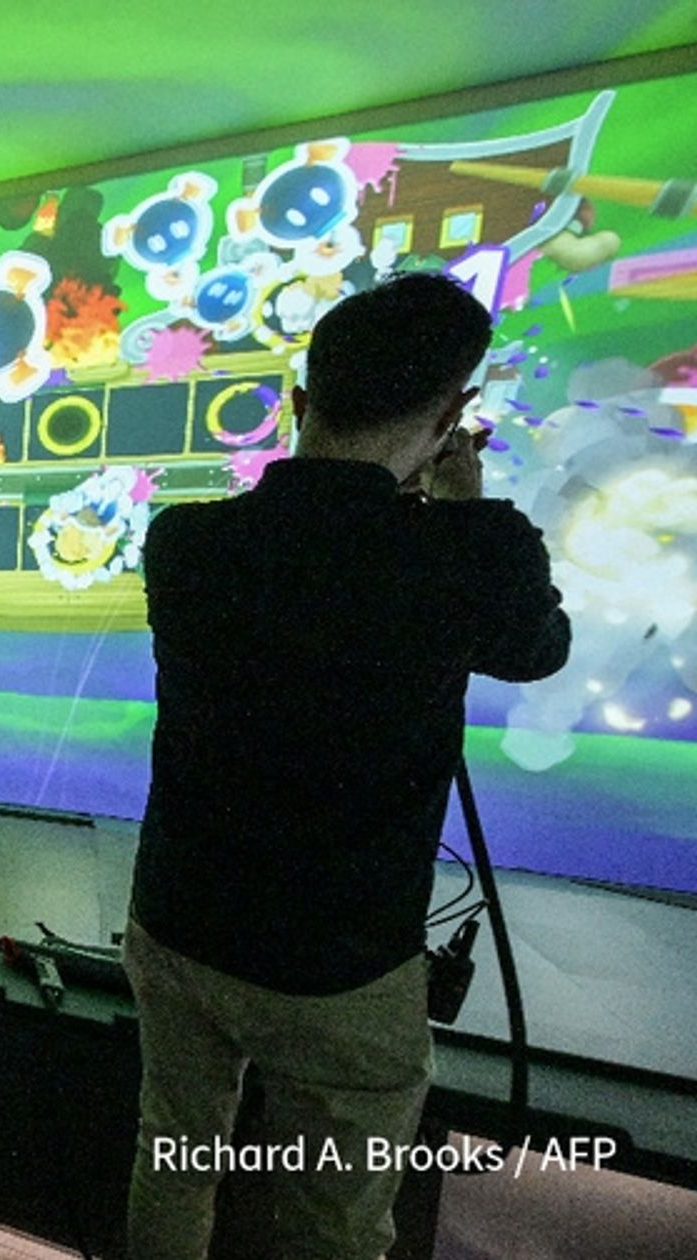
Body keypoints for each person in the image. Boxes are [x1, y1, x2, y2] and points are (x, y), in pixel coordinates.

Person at [124, 272, 571, 1260]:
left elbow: (315, 577)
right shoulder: (461, 552)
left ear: (298, 404)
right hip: (342, 968)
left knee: (172, 1157)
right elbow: (535, 646)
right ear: (451, 414)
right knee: (330, 1224)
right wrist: (464, 507)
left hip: (177, 925)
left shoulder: (183, 541)